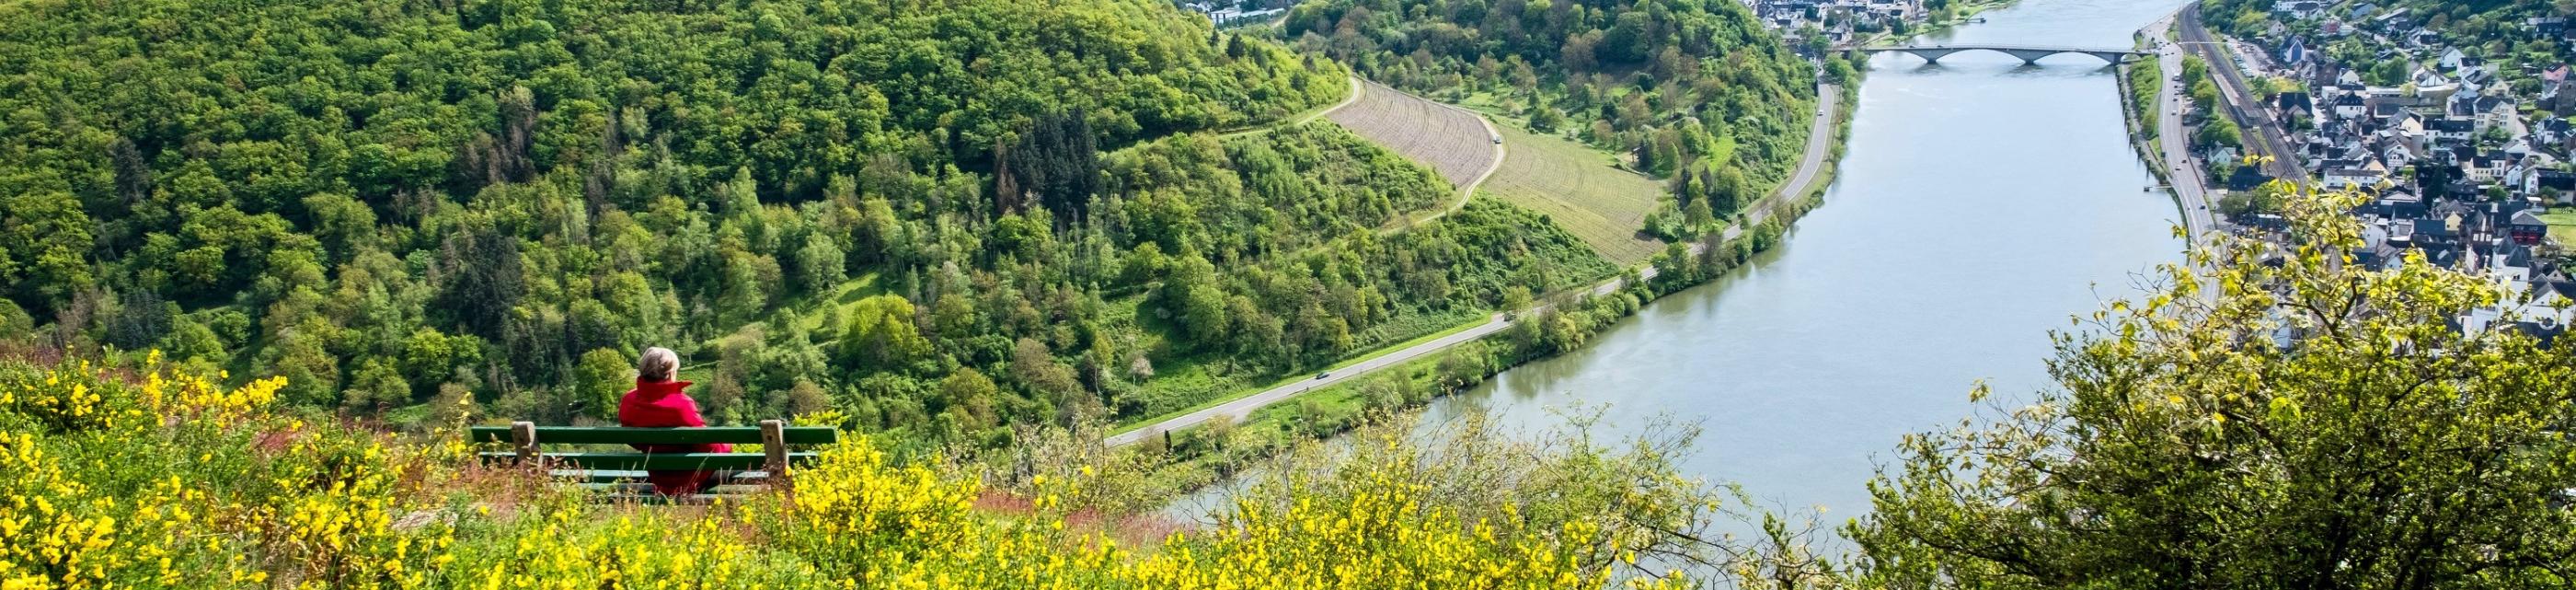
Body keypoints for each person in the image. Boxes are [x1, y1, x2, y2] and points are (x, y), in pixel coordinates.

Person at [617, 347, 731, 495]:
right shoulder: (682, 404)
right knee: (742, 468)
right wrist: (726, 445)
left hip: (658, 476)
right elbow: (711, 448)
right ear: (671, 373)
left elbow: (632, 439)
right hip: (688, 479)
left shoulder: (629, 400)